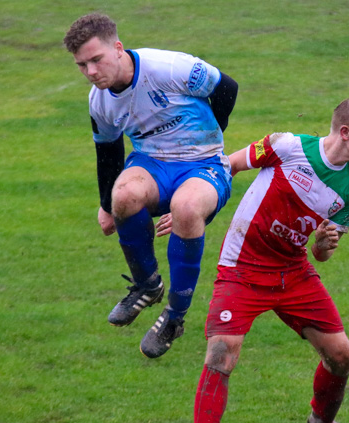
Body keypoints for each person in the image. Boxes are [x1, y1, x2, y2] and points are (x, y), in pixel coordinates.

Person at [164, 98, 349, 423]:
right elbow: (227, 167)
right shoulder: (287, 146)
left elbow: (321, 255)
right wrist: (191, 208)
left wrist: (323, 244)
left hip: (293, 272)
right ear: (346, 133)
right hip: (242, 267)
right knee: (222, 353)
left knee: (341, 354)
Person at [63, 13, 238, 357]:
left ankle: (174, 316)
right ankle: (147, 285)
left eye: (96, 60)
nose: (91, 72)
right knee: (123, 195)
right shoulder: (99, 101)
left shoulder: (170, 68)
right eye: (82, 65)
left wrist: (211, 136)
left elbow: (227, 88)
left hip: (203, 162)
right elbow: (109, 151)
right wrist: (105, 204)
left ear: (117, 48)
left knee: (187, 208)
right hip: (152, 164)